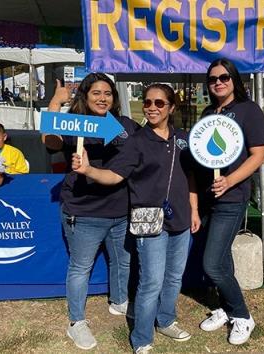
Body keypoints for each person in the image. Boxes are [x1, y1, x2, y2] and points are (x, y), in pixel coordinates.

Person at [71, 83, 201, 354]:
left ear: (171, 108)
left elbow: (189, 177)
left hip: (181, 220)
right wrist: (88, 170)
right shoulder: (137, 141)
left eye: (159, 103)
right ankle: (142, 338)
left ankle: (166, 320)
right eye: (148, 103)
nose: (152, 108)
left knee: (174, 277)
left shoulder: (183, 139)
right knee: (151, 281)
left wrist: (195, 209)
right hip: (150, 222)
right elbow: (114, 176)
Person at [42, 74, 139, 351]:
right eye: (96, 93)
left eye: (107, 93)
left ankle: (120, 302)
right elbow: (51, 141)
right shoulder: (73, 125)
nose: (102, 98)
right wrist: (56, 103)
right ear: (85, 96)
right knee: (80, 268)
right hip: (83, 213)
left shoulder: (123, 125)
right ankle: (76, 323)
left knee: (122, 261)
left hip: (120, 211)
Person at [196, 58, 264, 346]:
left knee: (211, 264)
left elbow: (258, 155)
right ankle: (226, 309)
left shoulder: (248, 111)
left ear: (234, 79)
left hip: (232, 197)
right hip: (208, 196)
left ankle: (242, 316)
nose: (218, 83)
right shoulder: (208, 112)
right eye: (213, 79)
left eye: (224, 77)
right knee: (221, 259)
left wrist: (230, 180)